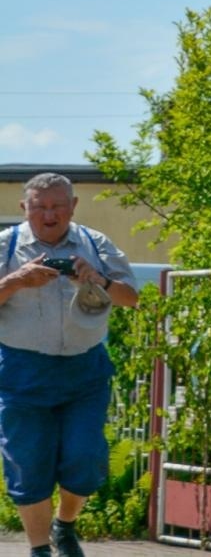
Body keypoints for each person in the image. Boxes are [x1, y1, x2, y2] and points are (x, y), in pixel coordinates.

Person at [0, 172, 139, 557]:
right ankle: (40, 548)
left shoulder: (96, 243)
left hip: (84, 372)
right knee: (27, 464)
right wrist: (15, 281)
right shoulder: (6, 245)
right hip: (21, 372)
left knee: (85, 458)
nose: (49, 215)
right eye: (40, 207)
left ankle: (66, 525)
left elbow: (131, 297)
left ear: (73, 206)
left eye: (58, 206)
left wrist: (99, 281)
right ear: (24, 208)